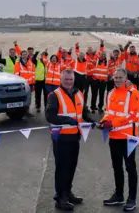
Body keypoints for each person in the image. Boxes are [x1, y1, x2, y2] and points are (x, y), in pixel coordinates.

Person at [45, 69, 95, 211]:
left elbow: (84, 112)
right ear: (61, 80)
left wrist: (92, 121)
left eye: (71, 80)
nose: (69, 82)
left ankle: (67, 193)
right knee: (62, 168)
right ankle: (60, 198)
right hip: (61, 138)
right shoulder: (54, 95)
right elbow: (50, 116)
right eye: (66, 79)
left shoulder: (79, 93)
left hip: (75, 136)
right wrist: (67, 120)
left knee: (72, 166)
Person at [99, 68, 139, 212]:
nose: (117, 79)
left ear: (126, 78)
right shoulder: (111, 93)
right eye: (115, 77)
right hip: (114, 137)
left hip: (128, 138)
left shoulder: (134, 94)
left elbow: (133, 116)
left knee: (130, 168)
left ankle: (132, 199)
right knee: (117, 167)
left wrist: (113, 123)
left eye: (120, 77)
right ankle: (119, 195)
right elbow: (108, 112)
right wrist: (104, 121)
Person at [13, 50, 34, 117]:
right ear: (21, 55)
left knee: (29, 98)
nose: (25, 55)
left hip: (30, 84)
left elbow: (33, 73)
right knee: (21, 98)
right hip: (22, 84)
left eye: (26, 54)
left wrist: (33, 82)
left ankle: (27, 111)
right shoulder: (18, 63)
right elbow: (16, 74)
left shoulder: (30, 62)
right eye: (23, 54)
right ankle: (20, 111)